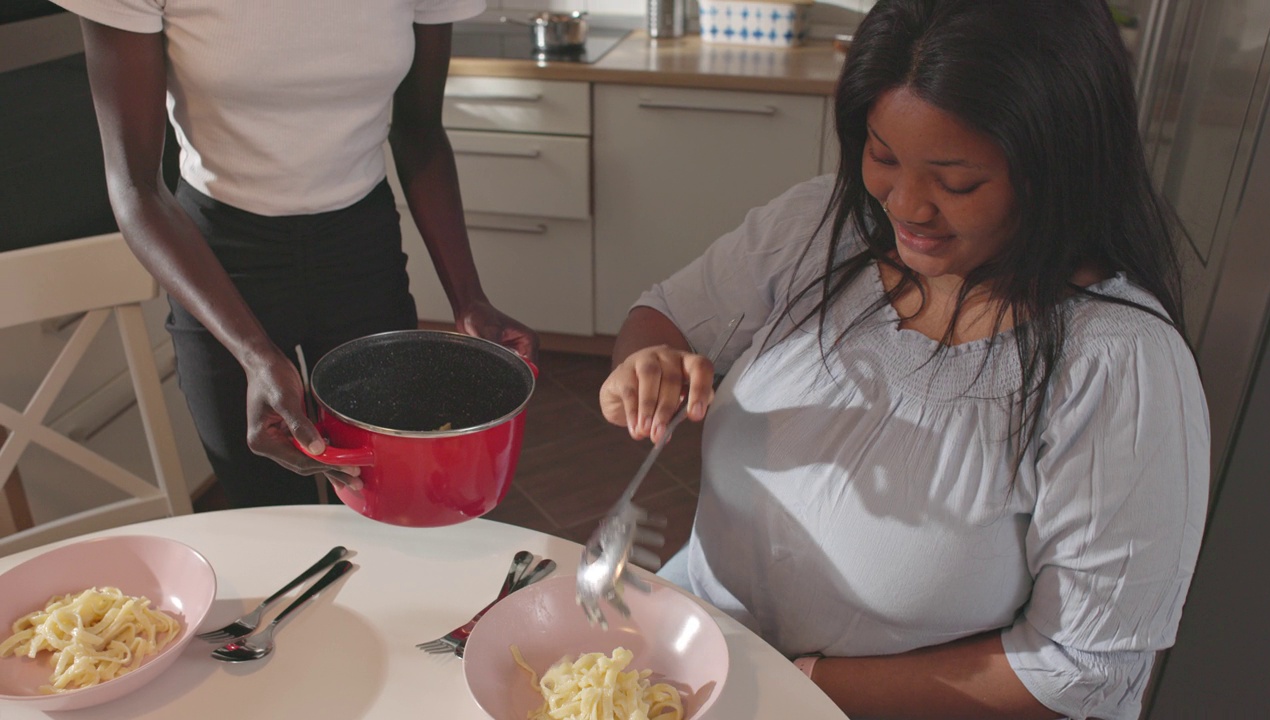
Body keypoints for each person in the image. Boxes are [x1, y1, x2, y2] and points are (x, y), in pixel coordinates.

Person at [598, 1, 1209, 718]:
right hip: (691, 658)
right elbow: (664, 312)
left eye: (957, 183)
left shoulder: (1119, 367)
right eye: (883, 156)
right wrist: (647, 365)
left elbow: (1083, 667)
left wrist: (795, 681)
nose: (907, 205)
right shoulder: (820, 225)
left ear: (1057, 167)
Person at [49, 0, 538, 507]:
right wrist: (254, 354)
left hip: (362, 254)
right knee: (264, 510)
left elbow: (420, 131)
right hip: (219, 269)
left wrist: (468, 298)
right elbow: (135, 187)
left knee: (390, 500)